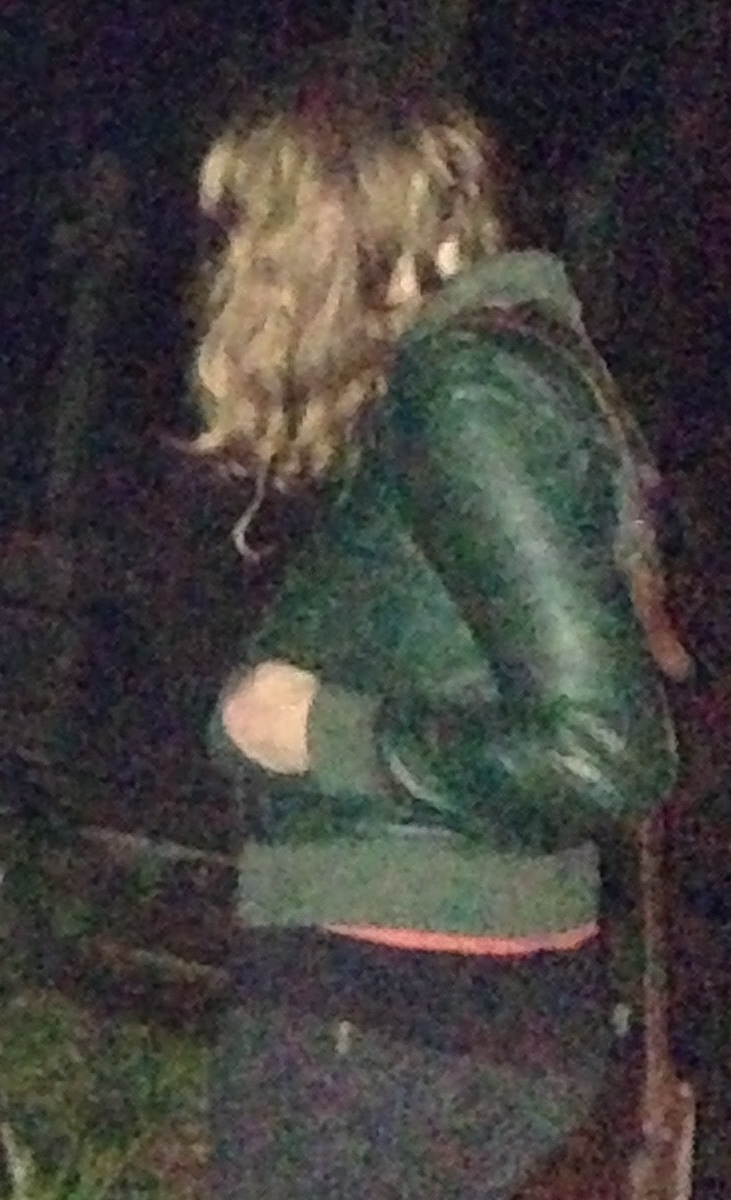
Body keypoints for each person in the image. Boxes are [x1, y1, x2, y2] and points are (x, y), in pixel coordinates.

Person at [186, 45, 687, 1198]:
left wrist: (326, 733)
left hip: (394, 1022)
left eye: (258, 234)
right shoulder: (495, 369)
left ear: (327, 228)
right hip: (423, 1013)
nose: (241, 274)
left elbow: (608, 750)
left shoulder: (468, 389)